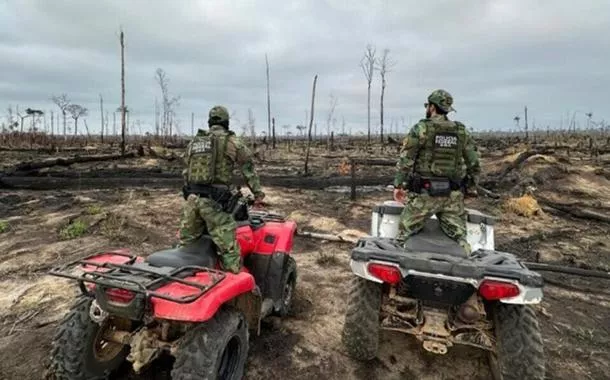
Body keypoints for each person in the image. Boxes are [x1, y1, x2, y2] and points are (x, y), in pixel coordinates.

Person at [178, 105, 265, 273]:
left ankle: (184, 281)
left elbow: (186, 171)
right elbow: (248, 169)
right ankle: (237, 293)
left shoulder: (195, 143)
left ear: (209, 122)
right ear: (226, 122)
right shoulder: (232, 142)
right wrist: (258, 194)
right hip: (215, 204)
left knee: (187, 246)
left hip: (192, 201)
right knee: (229, 251)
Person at [393, 89, 480, 255]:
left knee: (404, 234)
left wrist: (398, 185)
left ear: (432, 107)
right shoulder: (461, 132)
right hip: (452, 197)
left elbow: (406, 160)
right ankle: (463, 266)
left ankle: (399, 273)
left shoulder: (421, 129)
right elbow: (474, 163)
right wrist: (470, 188)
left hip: (424, 196)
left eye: (428, 106)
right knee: (459, 237)